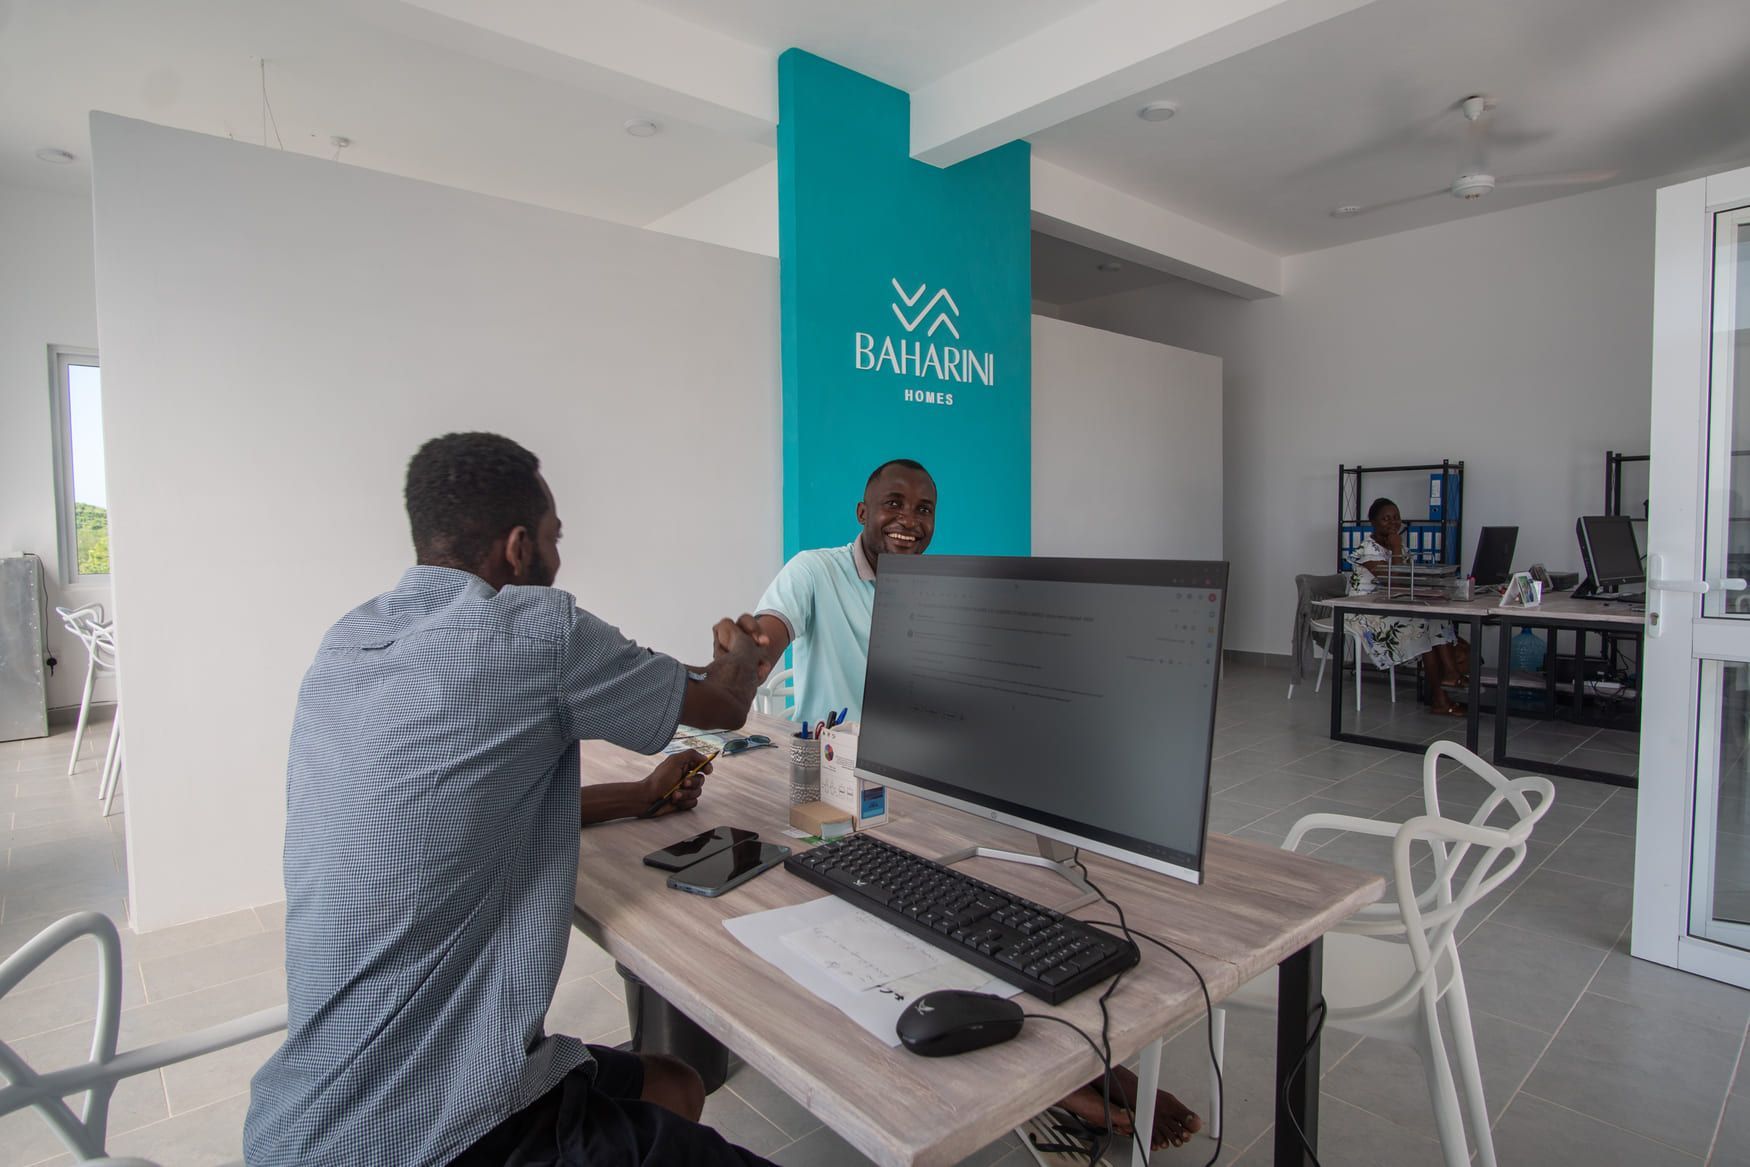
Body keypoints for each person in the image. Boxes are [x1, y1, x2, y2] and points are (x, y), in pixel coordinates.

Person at [244, 432, 779, 1167]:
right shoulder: (535, 632)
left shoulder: (350, 640)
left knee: (674, 1084)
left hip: (303, 1117)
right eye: (555, 537)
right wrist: (745, 655)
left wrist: (638, 794)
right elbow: (721, 703)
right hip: (434, 1134)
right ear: (520, 548)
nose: (559, 553)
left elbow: (462, 808)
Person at [737, 458, 1203, 1151]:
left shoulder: (940, 589)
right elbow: (769, 629)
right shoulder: (815, 570)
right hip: (823, 772)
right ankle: (1060, 1083)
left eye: (924, 509)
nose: (909, 520)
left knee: (1000, 910)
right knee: (890, 928)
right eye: (893, 504)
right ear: (862, 512)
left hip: (918, 775)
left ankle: (1072, 1063)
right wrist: (750, 651)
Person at [1347, 497, 1470, 715]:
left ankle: (1450, 678)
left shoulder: (1399, 547)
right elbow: (1395, 581)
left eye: (1396, 518)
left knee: (1437, 617)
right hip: (1367, 612)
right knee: (1423, 626)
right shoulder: (1367, 549)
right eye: (1386, 519)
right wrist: (1396, 548)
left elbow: (1409, 579)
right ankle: (1441, 696)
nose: (1393, 523)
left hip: (1392, 605)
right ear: (1373, 522)